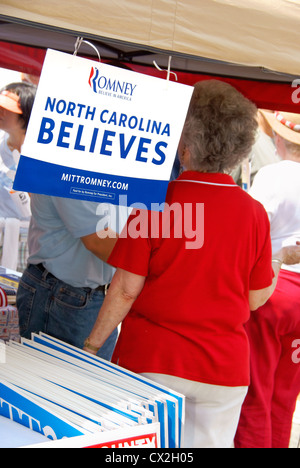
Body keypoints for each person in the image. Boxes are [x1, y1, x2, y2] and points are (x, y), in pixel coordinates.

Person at [82, 80, 300, 448]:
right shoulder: (253, 214)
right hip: (224, 369)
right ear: (240, 148)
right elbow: (256, 298)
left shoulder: (156, 203)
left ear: (184, 144)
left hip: (153, 358)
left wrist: (91, 347)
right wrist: (278, 262)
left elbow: (124, 288)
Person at [235, 110, 300, 448]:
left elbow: (252, 229)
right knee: (284, 395)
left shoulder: (273, 175)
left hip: (274, 289)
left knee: (256, 394)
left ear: (278, 139)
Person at [0, 81, 36, 220]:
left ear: (26, 114)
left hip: (29, 235)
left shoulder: (40, 156)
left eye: (7, 108)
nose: (0, 111)